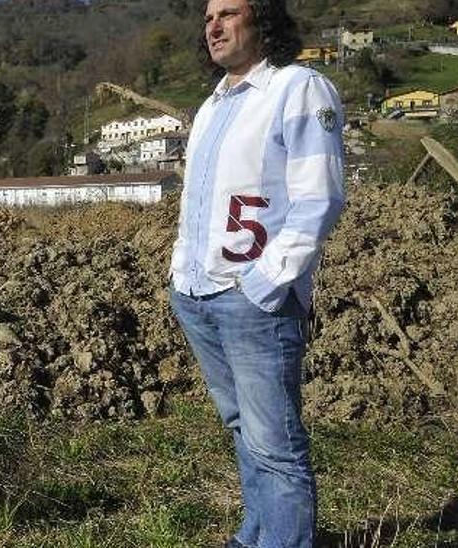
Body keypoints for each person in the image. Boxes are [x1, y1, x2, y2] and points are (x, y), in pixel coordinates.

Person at [168, 0, 345, 546]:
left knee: (276, 444)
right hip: (198, 294)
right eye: (206, 18)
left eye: (228, 13)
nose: (213, 27)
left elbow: (320, 197)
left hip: (252, 301)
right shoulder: (213, 104)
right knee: (243, 429)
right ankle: (256, 534)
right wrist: (181, 276)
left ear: (263, 20)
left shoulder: (297, 88)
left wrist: (266, 284)